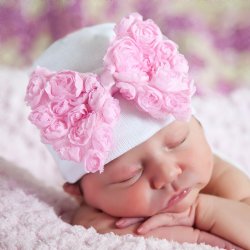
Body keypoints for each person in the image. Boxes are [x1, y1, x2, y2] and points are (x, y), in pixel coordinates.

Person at [25, 13, 250, 249]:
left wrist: (201, 211)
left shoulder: (220, 176)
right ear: (80, 194)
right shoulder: (93, 216)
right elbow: (101, 232)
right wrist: (198, 237)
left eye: (178, 141)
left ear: (200, 127)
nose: (168, 173)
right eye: (130, 176)